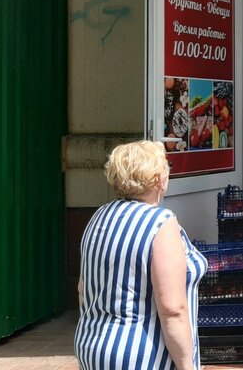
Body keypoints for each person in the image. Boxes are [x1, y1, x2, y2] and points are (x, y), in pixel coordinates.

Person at [75, 140, 207, 370]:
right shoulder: (161, 223)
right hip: (140, 354)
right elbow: (173, 309)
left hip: (91, 346)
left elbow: (82, 290)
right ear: (159, 179)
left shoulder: (99, 216)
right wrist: (188, 366)